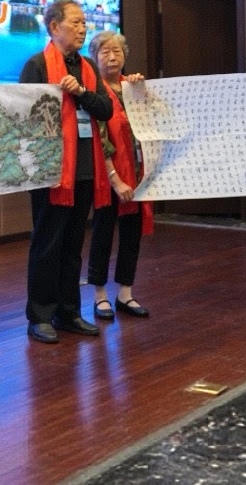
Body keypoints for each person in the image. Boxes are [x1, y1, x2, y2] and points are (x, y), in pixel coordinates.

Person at [19, 0, 113, 343]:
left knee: (73, 245)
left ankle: (69, 312)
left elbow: (105, 109)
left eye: (84, 22)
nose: (82, 28)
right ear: (54, 27)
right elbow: (26, 118)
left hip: (85, 167)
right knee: (48, 244)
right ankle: (41, 315)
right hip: (51, 169)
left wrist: (82, 92)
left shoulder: (87, 66)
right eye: (75, 22)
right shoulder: (37, 65)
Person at [84, 30, 153, 320]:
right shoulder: (95, 92)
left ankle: (125, 293)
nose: (112, 57)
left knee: (131, 235)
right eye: (105, 52)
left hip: (138, 174)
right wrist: (115, 179)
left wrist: (142, 90)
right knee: (102, 234)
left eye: (117, 52)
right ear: (94, 58)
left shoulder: (132, 87)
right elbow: (99, 139)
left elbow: (154, 122)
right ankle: (100, 296)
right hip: (107, 176)